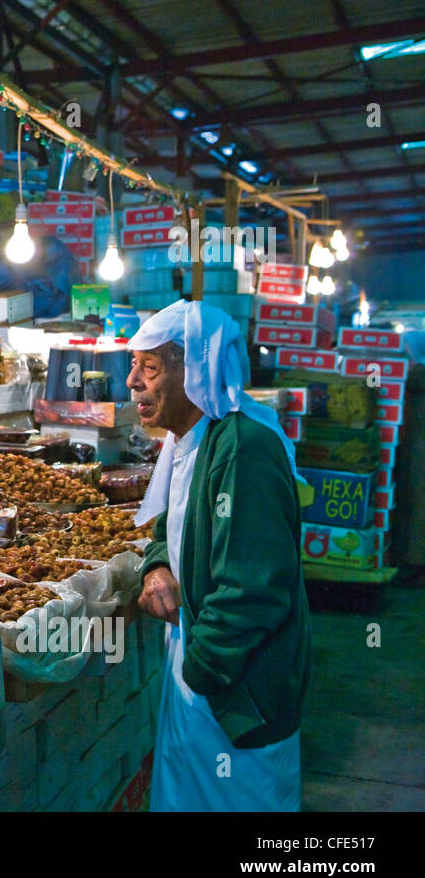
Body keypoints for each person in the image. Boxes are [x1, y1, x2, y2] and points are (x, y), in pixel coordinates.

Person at [127, 299, 310, 812]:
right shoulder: (189, 441)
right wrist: (158, 564)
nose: (133, 382)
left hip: (237, 695)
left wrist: (202, 670)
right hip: (204, 681)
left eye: (150, 367)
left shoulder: (244, 448)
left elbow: (253, 591)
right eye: (133, 367)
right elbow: (171, 521)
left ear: (196, 367)